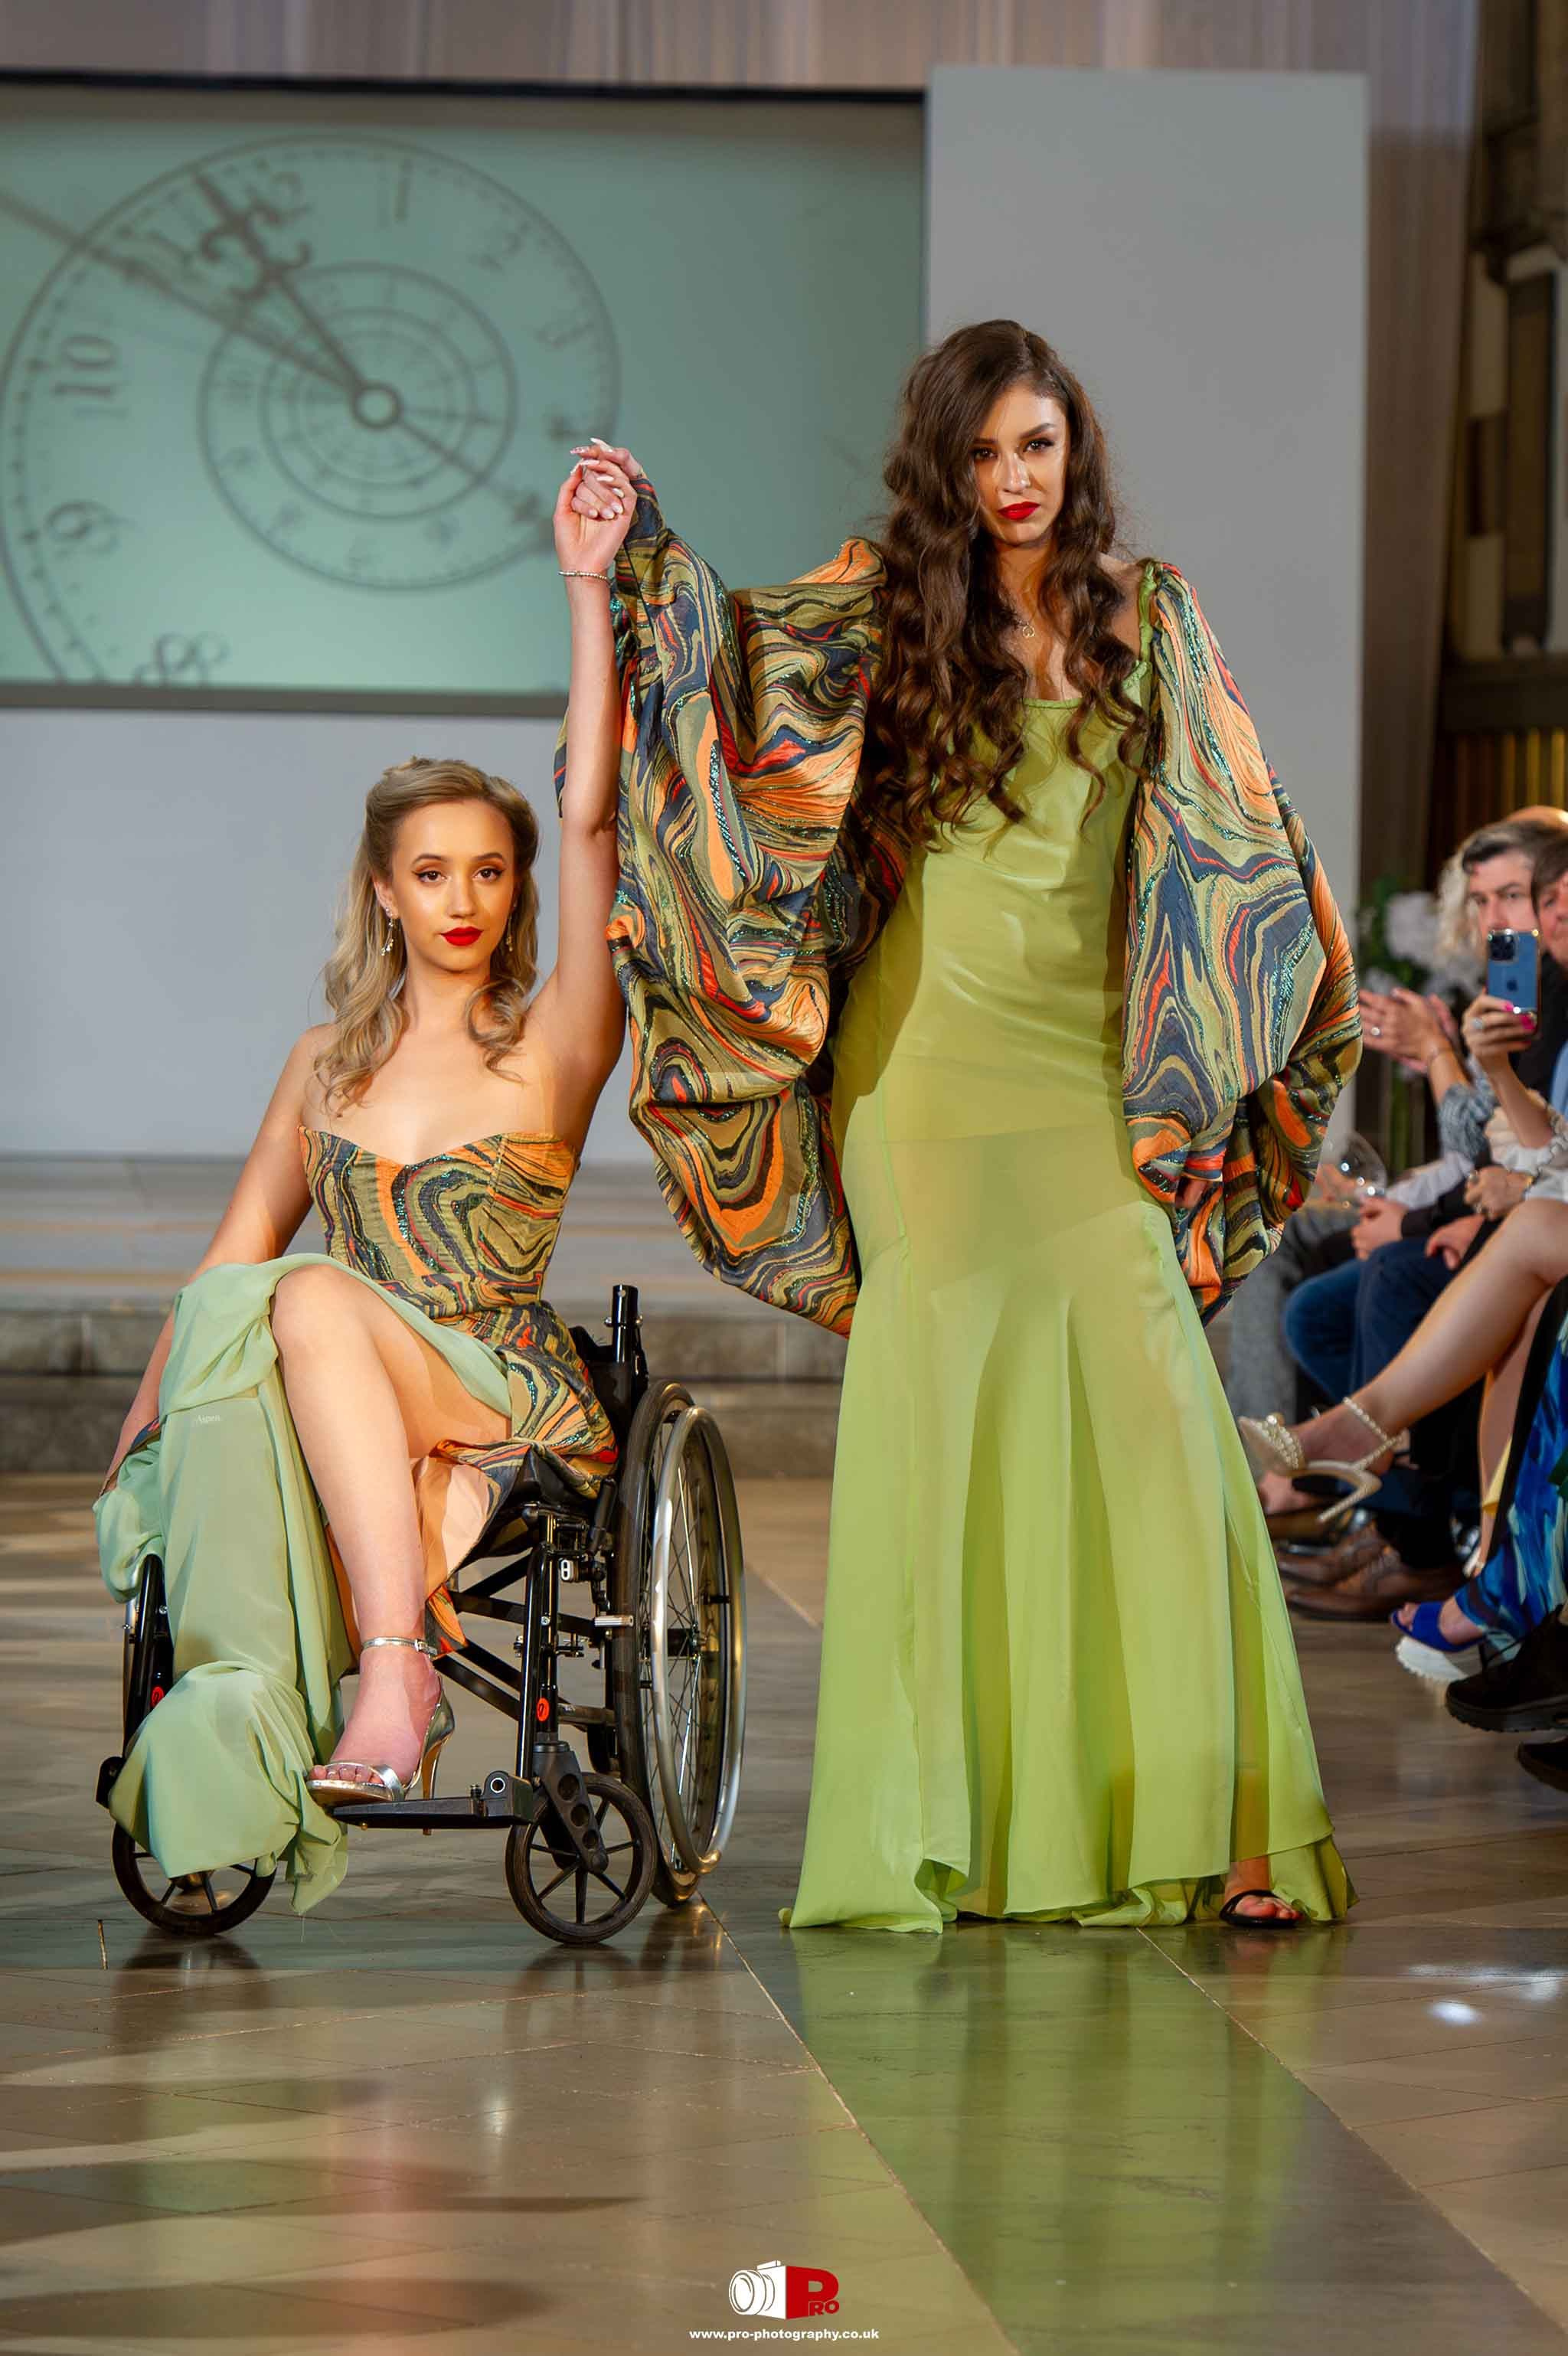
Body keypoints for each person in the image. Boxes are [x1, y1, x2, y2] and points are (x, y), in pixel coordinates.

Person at [570, 317, 1359, 1930]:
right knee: (947, 1447)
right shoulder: (872, 620)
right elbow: (710, 692)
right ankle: (956, 1833)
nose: (1012, 481)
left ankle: (1232, 1830)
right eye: (985, 451)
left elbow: (1239, 835)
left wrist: (1223, 1046)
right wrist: (620, 564)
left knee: (1163, 1440)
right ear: (943, 461)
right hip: (918, 1085)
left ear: (1077, 455)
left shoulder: (1156, 617)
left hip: (1091, 1078)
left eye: (1039, 448)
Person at [96, 459, 634, 1910]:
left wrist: (585, 585)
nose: (465, 901)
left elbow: (592, 817)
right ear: (384, 889)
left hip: (501, 1379)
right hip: (335, 1373)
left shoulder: (557, 1045)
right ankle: (256, 1715)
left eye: (491, 872)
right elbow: (232, 1259)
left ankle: (396, 1677)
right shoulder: (322, 1066)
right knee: (277, 1309)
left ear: (518, 887)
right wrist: (147, 1420)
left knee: (312, 1296)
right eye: (432, 872)